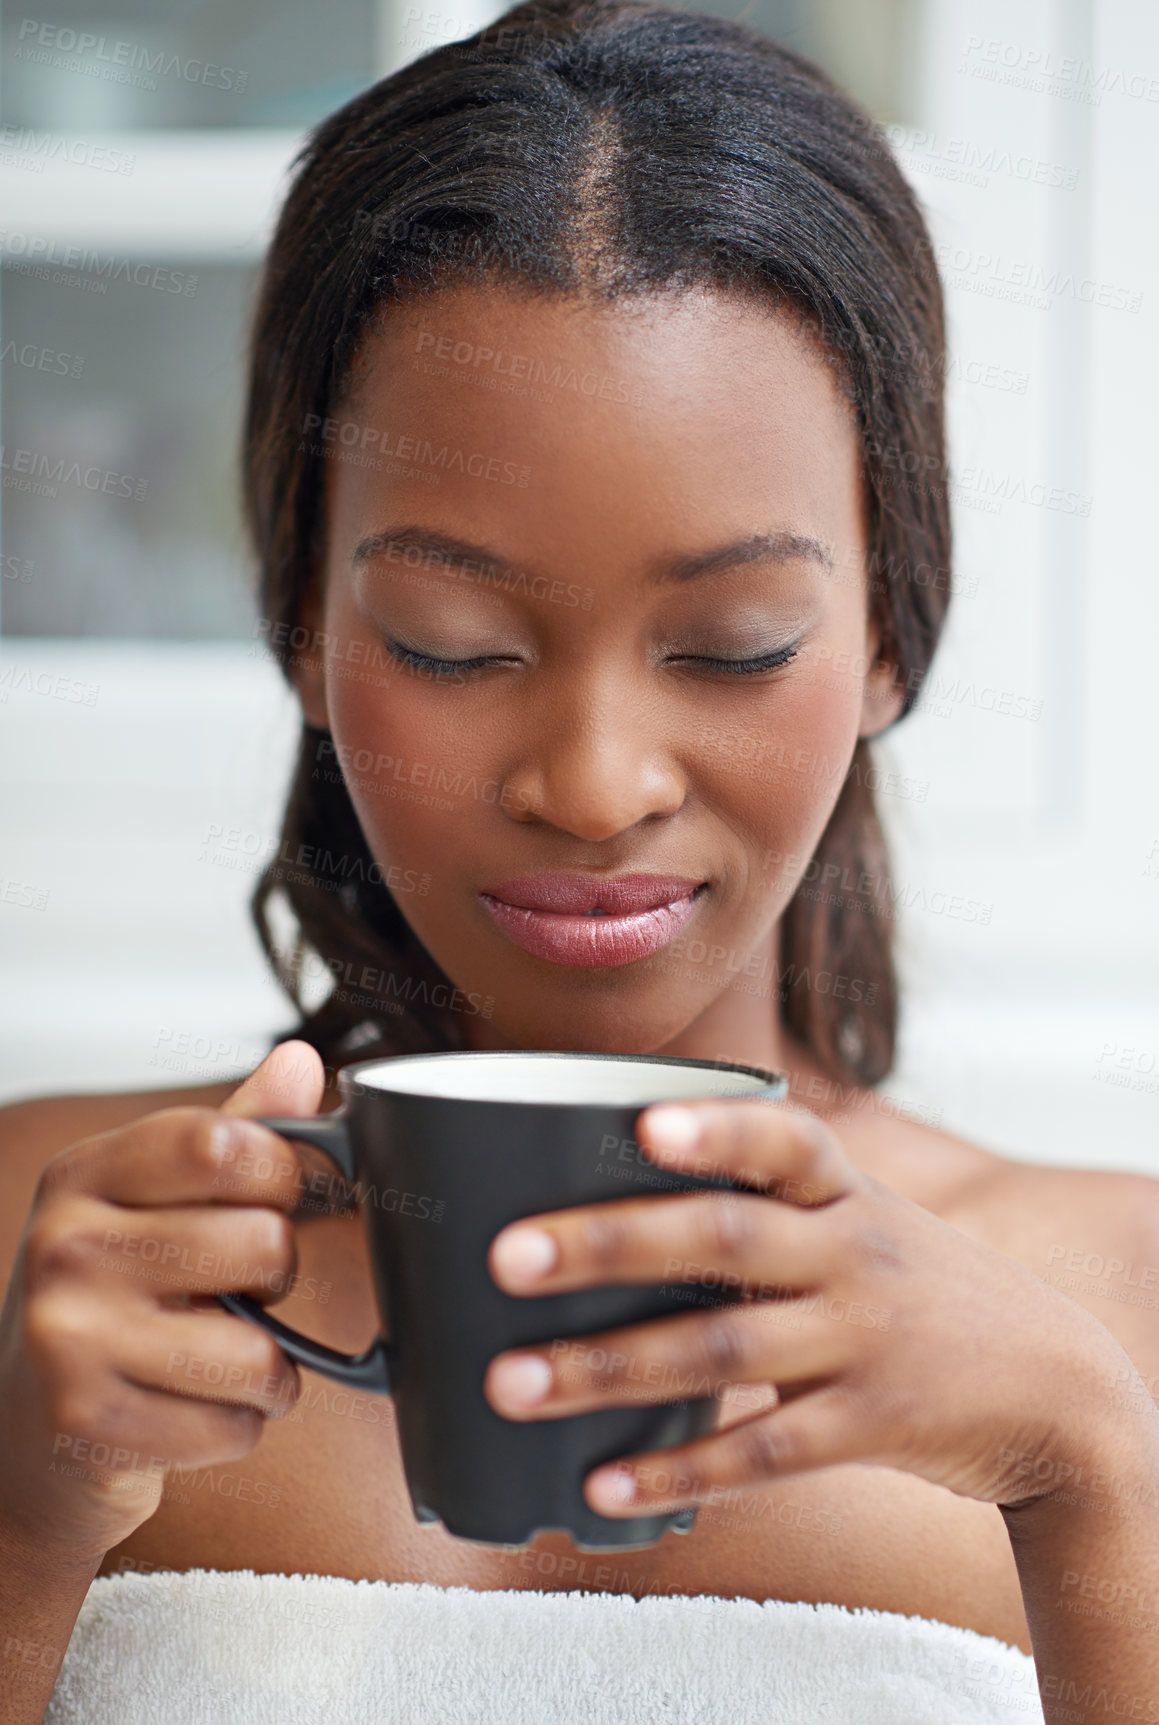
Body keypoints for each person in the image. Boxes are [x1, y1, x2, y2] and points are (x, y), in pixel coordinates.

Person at [2, 1, 1157, 1717]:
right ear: (304, 630)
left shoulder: (1123, 1312)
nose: (595, 785)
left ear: (893, 631)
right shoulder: (43, 1265)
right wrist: (23, 1525)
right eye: (458, 642)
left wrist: (1097, 1485)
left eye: (737, 641)